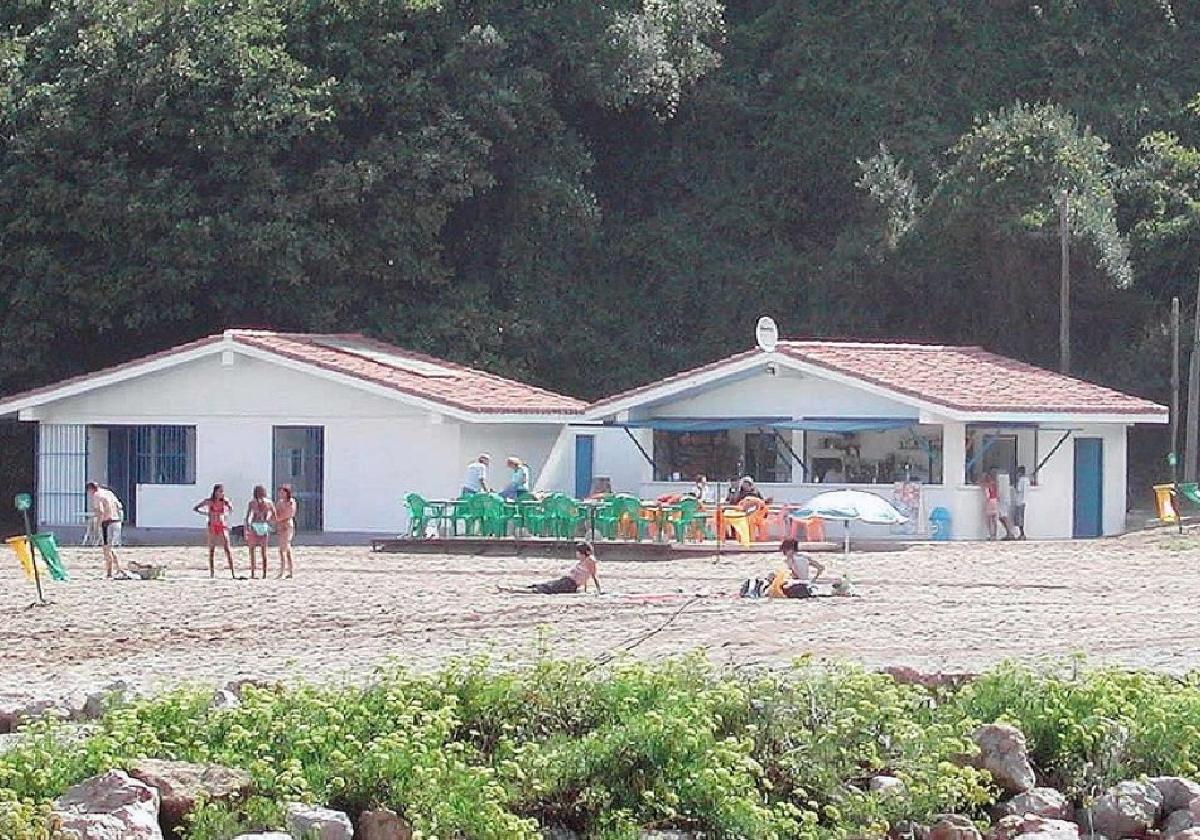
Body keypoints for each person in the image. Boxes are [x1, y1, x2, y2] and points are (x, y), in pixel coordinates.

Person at [523, 540, 601, 594]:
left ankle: (528, 590)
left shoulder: (589, 561)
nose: (576, 554)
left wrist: (598, 590)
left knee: (550, 589)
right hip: (568, 581)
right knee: (549, 585)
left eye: (578, 552)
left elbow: (592, 576)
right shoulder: (582, 561)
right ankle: (531, 588)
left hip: (570, 584)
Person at [194, 484, 236, 579]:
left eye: (222, 491)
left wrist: (225, 514)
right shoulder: (209, 501)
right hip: (212, 526)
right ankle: (212, 572)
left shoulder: (224, 501)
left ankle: (233, 572)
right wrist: (207, 513)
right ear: (215, 492)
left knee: (227, 549)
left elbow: (231, 509)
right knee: (212, 550)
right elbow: (196, 508)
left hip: (221, 525)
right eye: (220, 491)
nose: (222, 493)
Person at [86, 482, 123, 578]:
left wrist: (97, 525)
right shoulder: (108, 493)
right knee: (112, 547)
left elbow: (101, 511)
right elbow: (119, 506)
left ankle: (109, 572)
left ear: (91, 489)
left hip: (107, 523)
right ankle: (118, 569)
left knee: (106, 548)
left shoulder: (97, 496)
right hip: (117, 521)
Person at [244, 485, 276, 579]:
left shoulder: (252, 503)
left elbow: (248, 516)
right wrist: (269, 522)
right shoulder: (269, 502)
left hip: (255, 524)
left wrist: (247, 527)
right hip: (263, 524)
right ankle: (264, 574)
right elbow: (274, 515)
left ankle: (253, 573)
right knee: (263, 552)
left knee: (252, 551)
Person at [275, 484, 298, 578]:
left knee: (284, 548)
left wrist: (279, 519)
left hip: (287, 525)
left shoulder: (291, 502)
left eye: (282, 492)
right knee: (286, 549)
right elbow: (276, 512)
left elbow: (290, 513)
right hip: (280, 525)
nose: (280, 494)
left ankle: (282, 571)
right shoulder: (279, 502)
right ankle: (290, 571)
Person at [1012, 466, 1030, 540]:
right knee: (1021, 518)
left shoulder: (1021, 480)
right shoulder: (1027, 480)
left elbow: (1018, 489)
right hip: (1024, 501)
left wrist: (1015, 483)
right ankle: (1021, 534)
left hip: (1019, 501)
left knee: (1019, 519)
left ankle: (1022, 534)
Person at [981, 471, 1000, 540]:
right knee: (994, 519)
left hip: (989, 501)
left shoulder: (986, 486)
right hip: (994, 500)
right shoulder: (995, 484)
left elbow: (987, 496)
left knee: (988, 519)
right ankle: (995, 534)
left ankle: (990, 533)